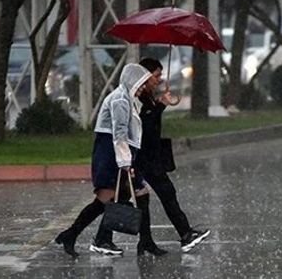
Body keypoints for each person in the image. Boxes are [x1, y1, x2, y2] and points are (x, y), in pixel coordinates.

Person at [54, 63, 159, 257]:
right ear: (132, 81)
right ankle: (81, 235)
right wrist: (126, 163)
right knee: (106, 199)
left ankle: (141, 241)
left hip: (121, 155)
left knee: (136, 195)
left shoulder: (128, 99)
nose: (144, 87)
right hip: (112, 155)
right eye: (141, 83)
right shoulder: (120, 100)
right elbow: (119, 134)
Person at [136, 57, 210, 253]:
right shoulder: (138, 97)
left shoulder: (147, 96)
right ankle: (185, 234)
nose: (159, 79)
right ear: (145, 75)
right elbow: (145, 127)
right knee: (166, 194)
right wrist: (159, 106)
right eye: (156, 75)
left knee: (143, 200)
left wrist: (160, 103)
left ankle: (145, 241)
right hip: (144, 157)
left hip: (149, 156)